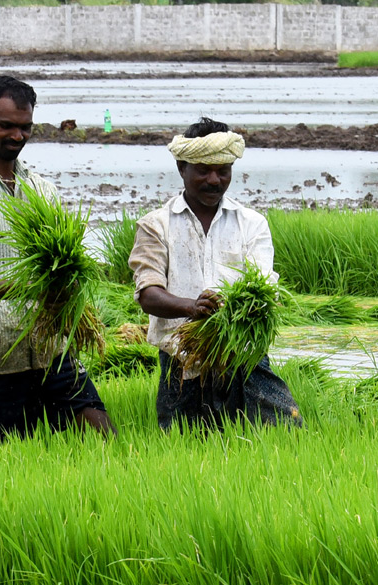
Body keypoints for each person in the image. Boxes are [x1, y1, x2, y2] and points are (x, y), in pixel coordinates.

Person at [0, 75, 115, 438]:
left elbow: (64, 264)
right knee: (11, 461)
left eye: (25, 127)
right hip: (1, 357)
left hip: (54, 349)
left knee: (103, 437)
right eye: (7, 126)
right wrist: (33, 288)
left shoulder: (42, 190)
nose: (17, 136)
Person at [129, 117, 302, 431]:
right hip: (181, 362)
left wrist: (237, 309)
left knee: (285, 433)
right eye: (203, 170)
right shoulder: (156, 225)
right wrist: (191, 307)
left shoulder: (251, 224)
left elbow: (264, 289)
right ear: (182, 168)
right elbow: (148, 294)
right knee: (182, 448)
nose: (214, 180)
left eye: (223, 171)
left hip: (243, 358)